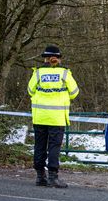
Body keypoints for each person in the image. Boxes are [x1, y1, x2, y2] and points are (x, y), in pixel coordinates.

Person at [27, 45, 79, 188]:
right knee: (54, 147)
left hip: (39, 116)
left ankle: (40, 177)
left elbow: (30, 91)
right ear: (58, 59)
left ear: (45, 59)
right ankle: (53, 177)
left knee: (39, 146)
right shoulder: (64, 73)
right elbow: (75, 92)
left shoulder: (37, 73)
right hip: (56, 117)